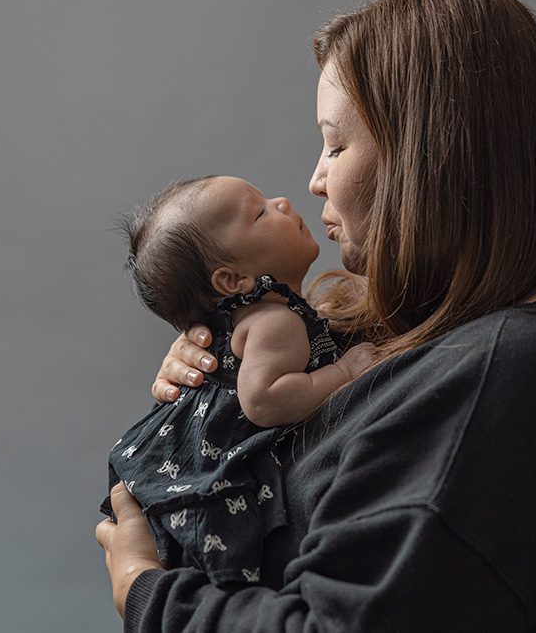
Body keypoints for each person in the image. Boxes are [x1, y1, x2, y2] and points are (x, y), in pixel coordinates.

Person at [95, 0, 536, 631]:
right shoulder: (491, 326)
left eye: (336, 143)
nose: (313, 179)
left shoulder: (501, 374)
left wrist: (147, 591)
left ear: (434, 150)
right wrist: (215, 375)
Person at [99, 175, 374, 587]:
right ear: (231, 281)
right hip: (211, 489)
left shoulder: (261, 322)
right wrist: (346, 372)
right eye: (260, 211)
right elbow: (264, 401)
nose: (282, 200)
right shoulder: (278, 321)